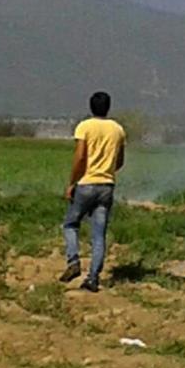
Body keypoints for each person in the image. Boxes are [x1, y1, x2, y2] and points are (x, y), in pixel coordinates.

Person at [60, 91, 126, 293]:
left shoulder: (85, 127)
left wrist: (72, 182)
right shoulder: (118, 130)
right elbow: (120, 161)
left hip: (86, 183)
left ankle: (73, 261)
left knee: (70, 224)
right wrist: (106, 172)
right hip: (107, 186)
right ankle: (93, 279)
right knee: (99, 235)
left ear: (91, 107)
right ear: (108, 107)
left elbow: (80, 157)